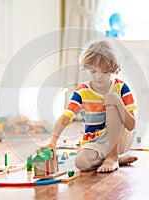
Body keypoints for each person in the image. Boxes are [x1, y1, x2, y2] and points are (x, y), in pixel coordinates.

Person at [43, 40, 138, 173]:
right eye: (93, 71)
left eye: (104, 72)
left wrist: (118, 102)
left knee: (111, 101)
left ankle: (112, 156)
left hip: (121, 139)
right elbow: (66, 117)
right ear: (87, 68)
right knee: (81, 163)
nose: (98, 77)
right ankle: (115, 159)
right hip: (96, 142)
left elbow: (131, 125)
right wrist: (53, 141)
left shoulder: (121, 88)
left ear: (113, 69)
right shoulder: (82, 92)